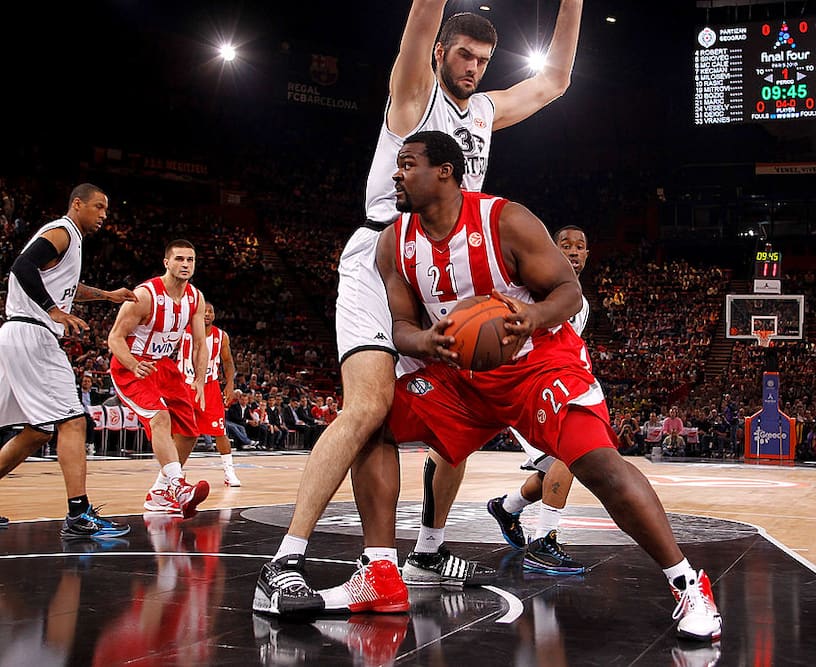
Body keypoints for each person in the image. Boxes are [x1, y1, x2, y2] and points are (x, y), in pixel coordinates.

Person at [255, 0, 583, 615]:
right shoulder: (413, 96)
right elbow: (422, 22)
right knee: (369, 409)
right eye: (464, 55)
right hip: (382, 252)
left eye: (484, 61)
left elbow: (555, 81)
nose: (474, 69)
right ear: (440, 52)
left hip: (447, 264)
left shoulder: (484, 110)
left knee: (455, 421)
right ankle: (283, 564)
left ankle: (424, 553)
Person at [351, 132, 719, 641]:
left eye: (407, 164)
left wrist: (533, 314)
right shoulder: (394, 242)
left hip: (537, 363)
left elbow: (569, 291)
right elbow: (400, 326)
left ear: (445, 172)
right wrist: (426, 341)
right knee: (369, 425)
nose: (396, 174)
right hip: (461, 375)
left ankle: (688, 584)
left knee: (598, 464)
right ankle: (381, 571)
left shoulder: (505, 220)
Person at [0, 183, 133, 539]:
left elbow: (69, 288)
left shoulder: (68, 243)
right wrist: (53, 310)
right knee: (73, 421)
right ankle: (78, 514)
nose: (104, 215)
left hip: (16, 334)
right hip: (35, 334)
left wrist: (107, 296)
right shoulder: (62, 231)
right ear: (78, 204)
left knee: (37, 430)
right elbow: (21, 267)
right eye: (99, 207)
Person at [484, 225, 590, 575]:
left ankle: (507, 507)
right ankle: (543, 541)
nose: (574, 251)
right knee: (568, 453)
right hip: (517, 386)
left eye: (580, 247)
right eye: (566, 245)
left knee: (554, 468)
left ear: (587, 256)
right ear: (551, 249)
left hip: (543, 389)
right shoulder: (531, 286)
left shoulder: (581, 304)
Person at [107, 239, 211, 518]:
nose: (185, 264)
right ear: (167, 262)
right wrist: (132, 364)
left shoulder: (195, 298)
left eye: (190, 259)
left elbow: (201, 344)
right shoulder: (145, 295)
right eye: (179, 259)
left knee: (190, 430)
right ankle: (178, 486)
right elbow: (114, 338)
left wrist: (200, 381)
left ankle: (159, 493)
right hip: (132, 365)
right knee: (160, 418)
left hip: (164, 367)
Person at [179, 302, 241, 487]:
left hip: (210, 386)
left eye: (210, 311)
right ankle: (175, 474)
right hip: (185, 384)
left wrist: (229, 384)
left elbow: (228, 362)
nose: (207, 314)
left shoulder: (221, 336)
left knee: (220, 431)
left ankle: (229, 473)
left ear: (214, 315)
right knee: (180, 432)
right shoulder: (183, 330)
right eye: (203, 311)